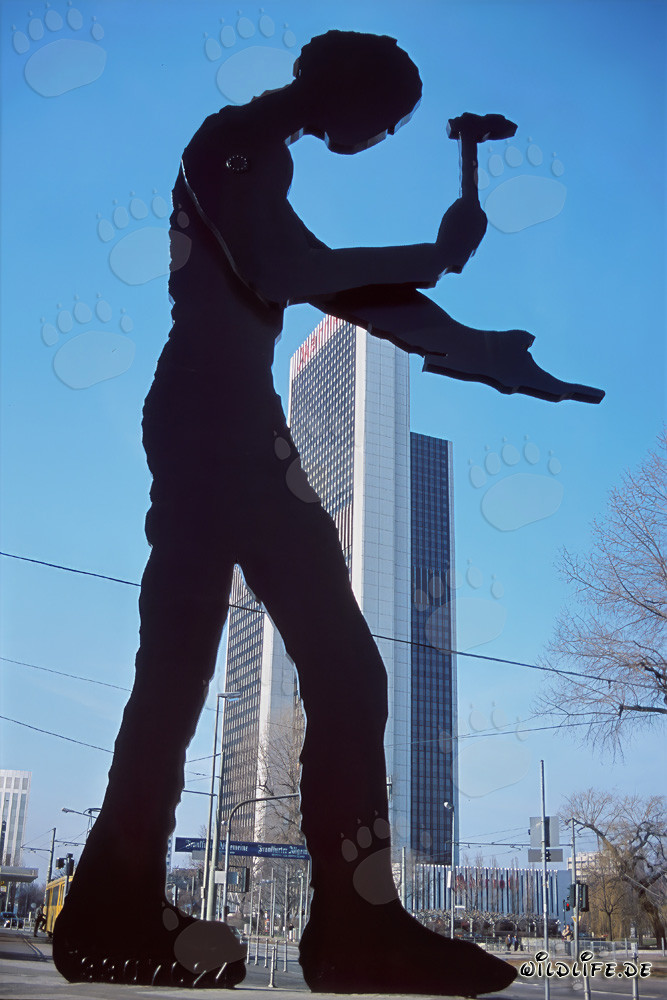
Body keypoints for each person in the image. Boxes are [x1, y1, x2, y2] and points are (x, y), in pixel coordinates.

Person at [52, 30, 602, 995]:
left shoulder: (253, 150)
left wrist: (483, 352)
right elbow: (280, 269)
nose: (383, 137)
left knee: (178, 669)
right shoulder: (234, 140)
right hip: (220, 421)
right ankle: (351, 924)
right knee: (339, 668)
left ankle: (116, 903)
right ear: (343, 90)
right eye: (385, 119)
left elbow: (330, 281)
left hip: (213, 415)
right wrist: (434, 256)